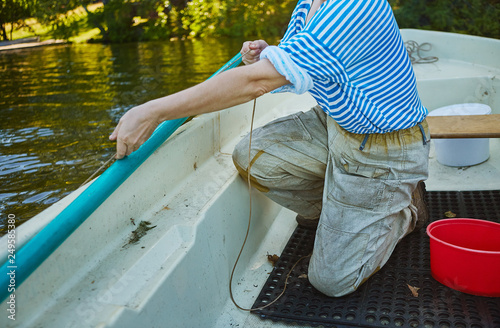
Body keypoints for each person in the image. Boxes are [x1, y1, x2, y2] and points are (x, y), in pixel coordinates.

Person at [110, 0, 430, 297]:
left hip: (385, 147)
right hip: (336, 123)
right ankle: (345, 210)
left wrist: (153, 110)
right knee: (250, 156)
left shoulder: (354, 8)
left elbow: (256, 82)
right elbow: (296, 65)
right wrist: (268, 55)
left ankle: (404, 208)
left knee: (331, 282)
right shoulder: (310, 3)